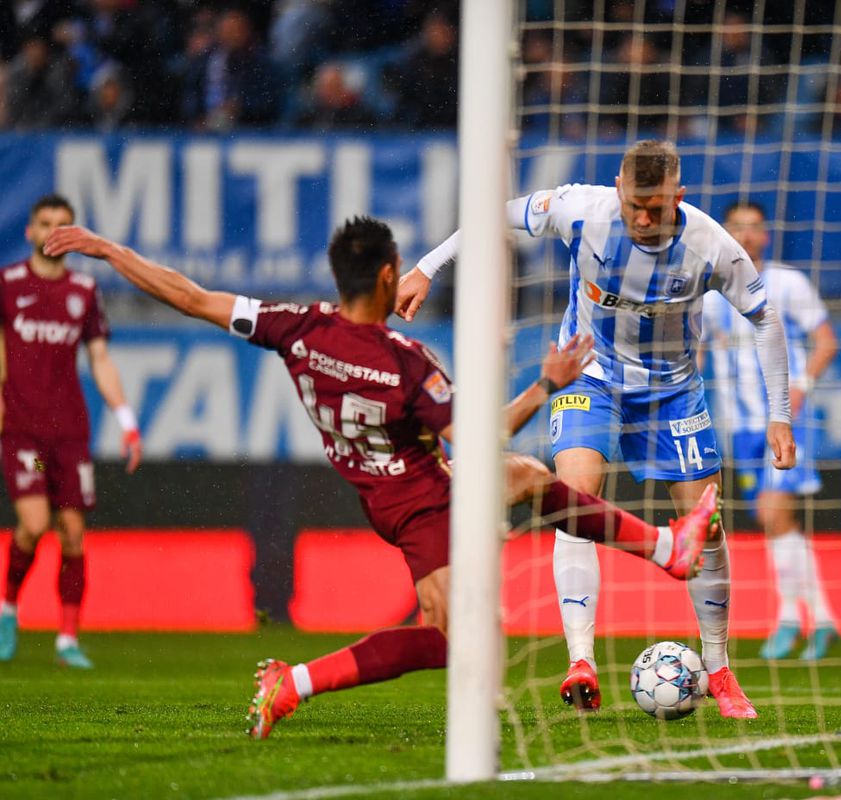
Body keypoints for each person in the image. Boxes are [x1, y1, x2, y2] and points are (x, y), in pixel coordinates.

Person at [43, 216, 720, 739]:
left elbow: (190, 297)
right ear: (391, 275)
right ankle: (294, 682)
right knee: (464, 638)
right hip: (429, 501)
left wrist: (108, 250)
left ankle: (666, 549)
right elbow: (479, 436)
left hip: (386, 493)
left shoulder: (297, 329)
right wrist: (547, 382)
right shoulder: (404, 363)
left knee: (528, 477)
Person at [394, 140, 797, 718]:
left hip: (674, 392)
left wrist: (779, 414)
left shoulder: (712, 245)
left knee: (704, 527)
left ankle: (719, 668)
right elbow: (494, 217)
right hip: (591, 375)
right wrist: (426, 268)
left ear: (678, 198)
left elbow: (764, 318)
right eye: (634, 203)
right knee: (576, 500)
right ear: (618, 188)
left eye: (655, 208)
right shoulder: (581, 208)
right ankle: (580, 659)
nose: (641, 218)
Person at [0, 194, 142, 669]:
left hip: (68, 437)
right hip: (25, 434)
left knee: (74, 533)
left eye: (63, 224)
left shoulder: (83, 290)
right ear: (31, 231)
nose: (53, 231)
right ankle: (8, 608)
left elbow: (100, 359)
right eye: (45, 223)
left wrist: (126, 419)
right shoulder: (8, 284)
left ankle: (67, 638)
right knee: (37, 524)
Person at [702, 202, 840, 661]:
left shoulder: (787, 283)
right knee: (772, 521)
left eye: (754, 227)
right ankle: (820, 620)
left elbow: (826, 341)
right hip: (739, 426)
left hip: (783, 420)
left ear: (766, 235)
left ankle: (789, 619)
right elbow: (697, 351)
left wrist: (800, 388)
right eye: (737, 227)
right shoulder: (707, 292)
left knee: (773, 514)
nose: (746, 234)